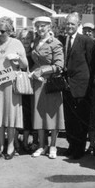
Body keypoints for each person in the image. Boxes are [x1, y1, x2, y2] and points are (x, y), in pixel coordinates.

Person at [0, 20, 27, 159]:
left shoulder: (17, 43)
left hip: (11, 84)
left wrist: (18, 58)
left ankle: (10, 146)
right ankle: (0, 146)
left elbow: (25, 64)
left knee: (10, 116)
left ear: (9, 31)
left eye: (2, 31)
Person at [62, 12, 95, 160]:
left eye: (72, 24)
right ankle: (71, 145)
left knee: (81, 119)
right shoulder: (62, 39)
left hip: (82, 86)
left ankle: (79, 148)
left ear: (78, 25)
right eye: (67, 23)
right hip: (66, 85)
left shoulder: (86, 41)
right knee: (69, 119)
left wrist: (89, 85)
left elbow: (91, 63)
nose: (69, 26)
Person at [30, 16, 65, 159]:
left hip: (50, 83)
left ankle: (53, 145)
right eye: (37, 26)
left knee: (52, 115)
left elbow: (59, 66)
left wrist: (42, 71)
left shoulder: (55, 43)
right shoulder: (36, 41)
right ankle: (41, 145)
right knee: (39, 114)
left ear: (49, 27)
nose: (40, 29)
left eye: (43, 26)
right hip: (37, 83)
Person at [17, 28, 36, 151]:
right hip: (19, 87)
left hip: (31, 87)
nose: (26, 41)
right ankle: (17, 142)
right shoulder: (17, 53)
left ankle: (25, 141)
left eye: (28, 38)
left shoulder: (35, 54)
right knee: (19, 113)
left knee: (29, 114)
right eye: (23, 38)